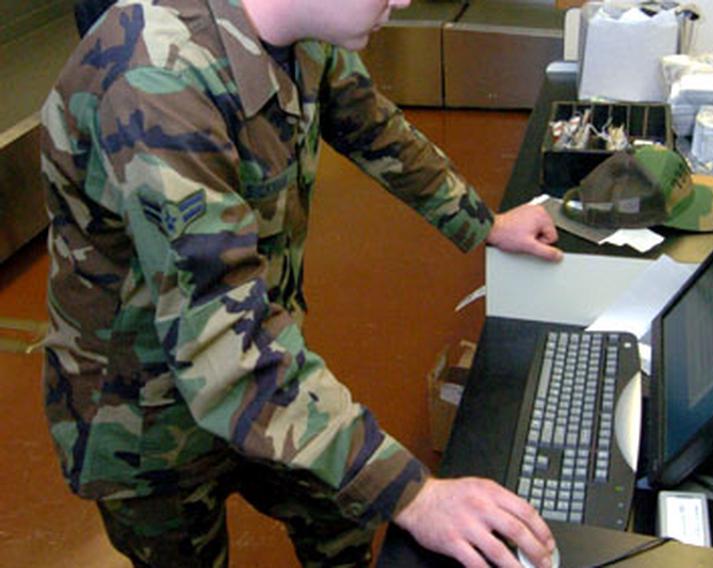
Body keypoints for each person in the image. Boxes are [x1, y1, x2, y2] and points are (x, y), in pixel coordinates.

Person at [40, 0, 563, 566]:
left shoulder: (303, 33)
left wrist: (485, 223)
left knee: (342, 516)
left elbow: (376, 127)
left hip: (260, 362)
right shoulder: (157, 80)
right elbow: (225, 349)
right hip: (146, 416)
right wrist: (411, 491)